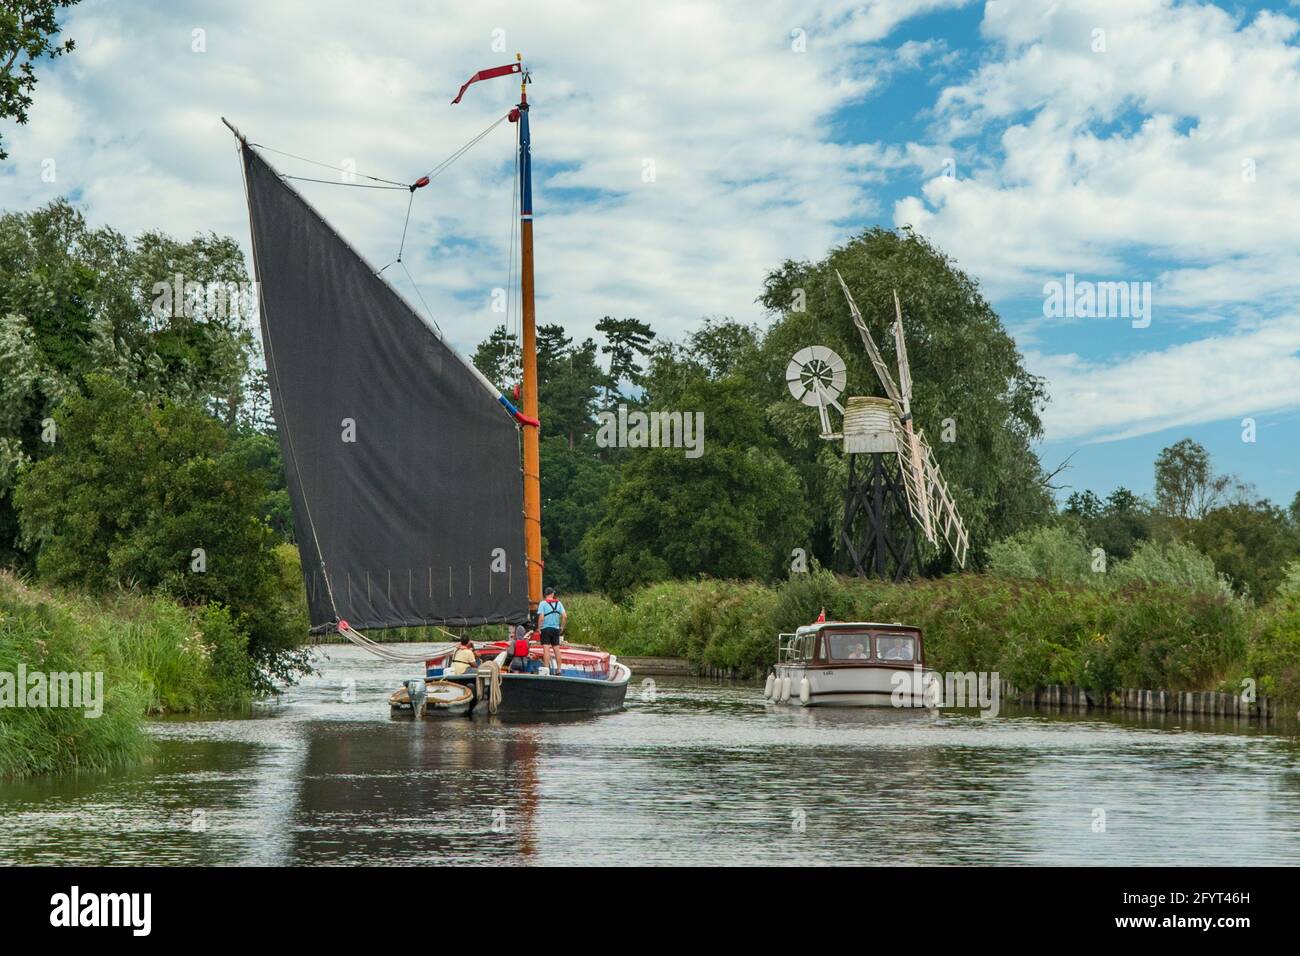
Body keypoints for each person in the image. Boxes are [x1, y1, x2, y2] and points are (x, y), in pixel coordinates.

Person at [536, 586, 566, 674]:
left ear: (545, 595)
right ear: (552, 594)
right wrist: (562, 627)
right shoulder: (559, 603)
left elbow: (541, 617)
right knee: (556, 649)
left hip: (545, 629)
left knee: (546, 649)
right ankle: (559, 669)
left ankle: (546, 669)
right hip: (556, 629)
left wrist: (539, 628)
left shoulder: (543, 603)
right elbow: (564, 616)